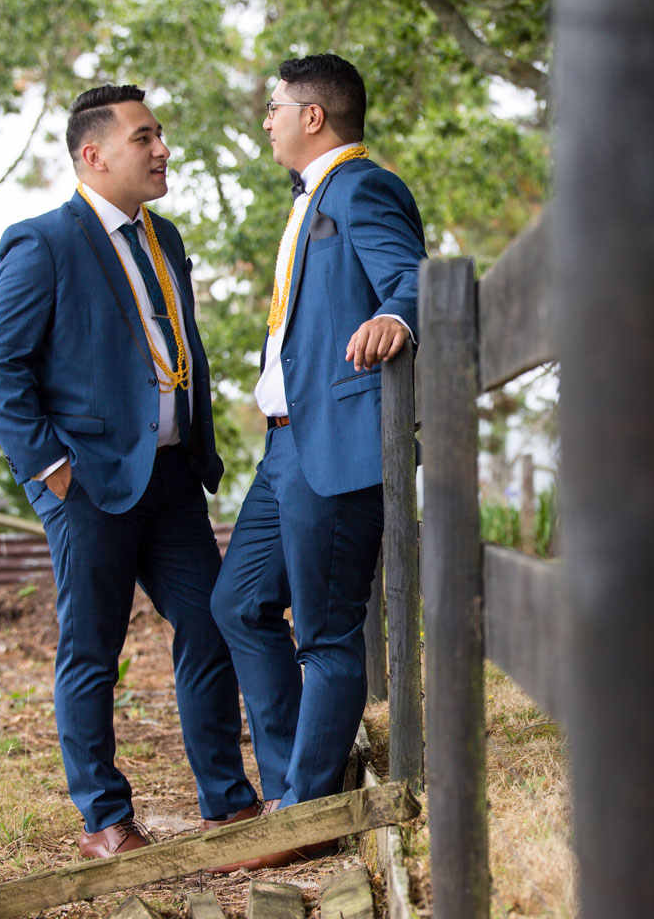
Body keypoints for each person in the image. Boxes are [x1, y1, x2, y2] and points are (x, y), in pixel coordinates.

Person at [0, 84, 260, 858]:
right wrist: (49, 469)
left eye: (160, 133)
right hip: (87, 481)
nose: (163, 148)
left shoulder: (163, 236)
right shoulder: (42, 242)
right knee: (92, 649)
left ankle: (227, 801)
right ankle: (105, 818)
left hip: (172, 480)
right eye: (145, 137)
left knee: (212, 622)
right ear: (93, 155)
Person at [208, 53, 425, 871]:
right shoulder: (307, 201)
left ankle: (304, 812)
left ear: (312, 116)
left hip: (336, 442)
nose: (264, 120)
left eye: (273, 107)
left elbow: (409, 276)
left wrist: (398, 318)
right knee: (239, 605)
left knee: (329, 633)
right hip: (284, 444)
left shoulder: (363, 187)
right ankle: (304, 779)